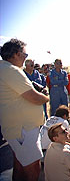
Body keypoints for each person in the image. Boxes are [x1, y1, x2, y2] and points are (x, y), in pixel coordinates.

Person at [0, 39, 49, 180]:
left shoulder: (5, 69)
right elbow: (34, 98)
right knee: (32, 167)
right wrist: (46, 97)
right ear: (16, 54)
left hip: (16, 127)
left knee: (20, 163)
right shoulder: (10, 70)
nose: (25, 58)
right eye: (25, 55)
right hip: (23, 128)